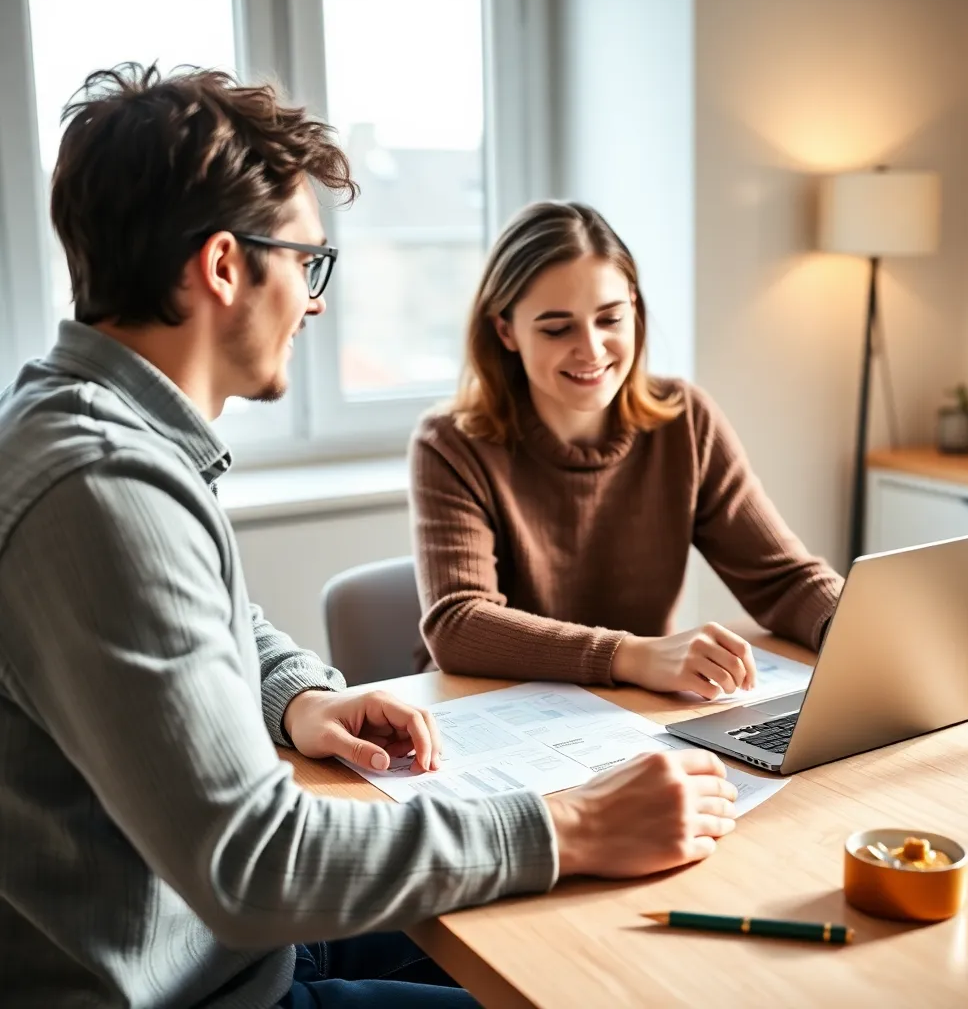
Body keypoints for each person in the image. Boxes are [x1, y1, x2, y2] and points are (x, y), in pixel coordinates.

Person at [0, 66, 739, 1009]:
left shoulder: (94, 429)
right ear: (226, 266)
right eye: (307, 264)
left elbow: (217, 623)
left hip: (228, 951)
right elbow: (252, 864)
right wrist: (571, 823)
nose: (314, 302)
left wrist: (296, 697)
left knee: (609, 948)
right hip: (201, 986)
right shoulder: (98, 483)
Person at [411, 200, 843, 696]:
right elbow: (459, 625)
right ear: (505, 330)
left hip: (634, 711)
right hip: (489, 715)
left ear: (634, 307)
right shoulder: (450, 442)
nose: (591, 349)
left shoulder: (685, 418)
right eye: (557, 328)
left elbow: (782, 578)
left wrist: (855, 632)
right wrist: (629, 655)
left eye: (610, 319)